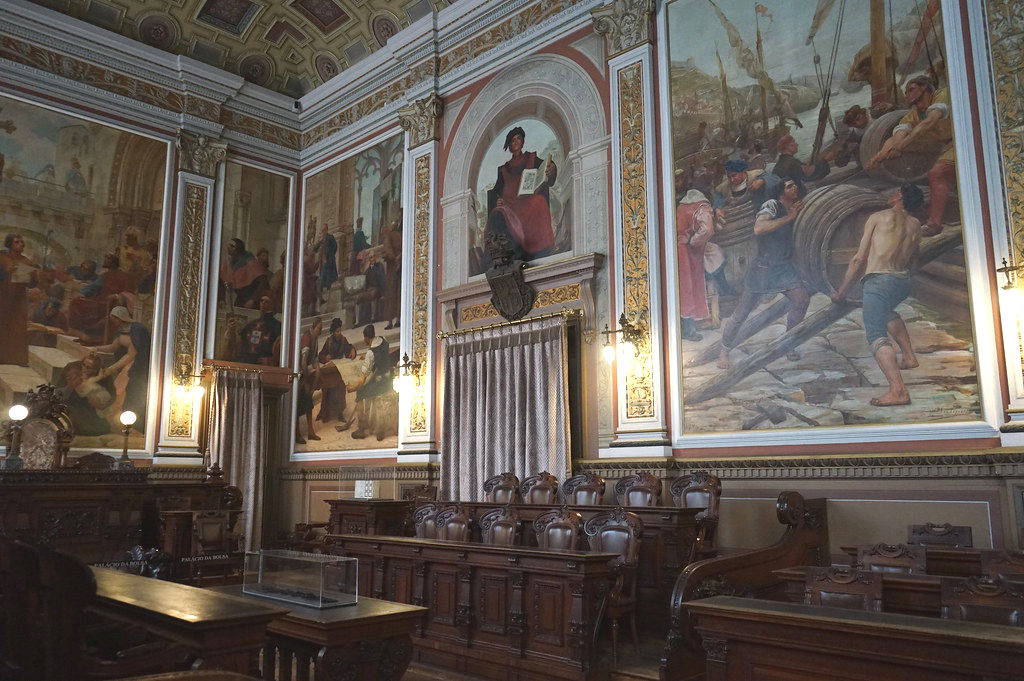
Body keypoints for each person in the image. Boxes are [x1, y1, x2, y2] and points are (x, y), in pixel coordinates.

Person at [831, 185, 925, 407]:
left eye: (895, 191)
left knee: (875, 334)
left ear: (899, 196)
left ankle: (898, 391)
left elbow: (859, 259)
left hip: (878, 281)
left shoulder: (878, 217)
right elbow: (915, 258)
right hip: (902, 282)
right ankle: (909, 357)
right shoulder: (916, 224)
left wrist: (842, 291)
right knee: (886, 312)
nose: (890, 193)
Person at [718, 179, 810, 369]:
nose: (795, 188)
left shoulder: (793, 207)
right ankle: (724, 352)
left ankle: (788, 343)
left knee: (802, 300)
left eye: (795, 185)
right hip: (764, 269)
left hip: (784, 267)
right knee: (742, 313)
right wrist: (789, 217)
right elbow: (759, 228)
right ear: (780, 191)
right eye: (789, 186)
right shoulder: (772, 205)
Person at [866, 76, 955, 235]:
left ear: (926, 88)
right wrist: (879, 157)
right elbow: (896, 137)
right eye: (906, 92)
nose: (907, 94)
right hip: (949, 146)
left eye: (911, 89)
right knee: (939, 173)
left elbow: (930, 121)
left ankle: (935, 223)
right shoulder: (913, 114)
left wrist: (902, 145)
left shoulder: (942, 95)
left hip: (967, 138)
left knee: (937, 172)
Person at [485, 126, 558, 262]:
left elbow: (545, 167)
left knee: (538, 202)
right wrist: (497, 200)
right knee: (498, 211)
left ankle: (542, 251)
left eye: (519, 138)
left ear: (523, 141)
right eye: (512, 140)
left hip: (527, 200)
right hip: (510, 205)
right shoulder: (503, 169)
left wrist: (551, 169)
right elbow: (495, 192)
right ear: (509, 146)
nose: (516, 142)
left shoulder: (532, 158)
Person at [89, 306, 150, 431]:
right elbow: (113, 347)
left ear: (121, 317)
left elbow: (130, 355)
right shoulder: (121, 330)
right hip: (127, 364)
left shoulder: (136, 329)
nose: (113, 321)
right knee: (118, 391)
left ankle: (134, 425)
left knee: (128, 392)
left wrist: (110, 370)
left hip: (138, 366)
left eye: (114, 318)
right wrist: (97, 348)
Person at [346, 324, 395, 441]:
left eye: (364, 338)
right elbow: (381, 357)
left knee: (360, 392)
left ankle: (362, 428)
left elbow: (363, 379)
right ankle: (371, 423)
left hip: (380, 383)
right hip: (389, 377)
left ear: (366, 337)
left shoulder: (370, 353)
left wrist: (353, 388)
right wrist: (368, 358)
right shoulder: (383, 340)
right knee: (366, 388)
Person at [676, 189, 713, 341]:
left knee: (683, 290)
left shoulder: (681, 207)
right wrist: (693, 241)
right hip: (689, 252)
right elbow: (707, 230)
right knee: (690, 289)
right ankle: (689, 331)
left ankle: (684, 329)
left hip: (677, 251)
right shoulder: (702, 207)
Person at [317, 318, 356, 426]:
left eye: (340, 331)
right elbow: (321, 355)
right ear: (333, 332)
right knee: (327, 390)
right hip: (330, 369)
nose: (339, 333)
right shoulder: (328, 341)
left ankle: (339, 413)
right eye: (337, 331)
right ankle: (325, 414)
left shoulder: (343, 340)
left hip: (339, 369)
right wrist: (325, 357)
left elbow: (349, 349)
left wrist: (352, 350)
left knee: (340, 391)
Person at [220, 238, 269, 308]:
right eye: (229, 245)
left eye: (232, 246)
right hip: (241, 299)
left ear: (238, 248)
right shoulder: (230, 262)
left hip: (254, 300)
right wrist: (222, 299)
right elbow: (222, 280)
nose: (229, 247)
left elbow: (263, 281)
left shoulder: (250, 261)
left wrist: (252, 300)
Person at [295, 319, 323, 444]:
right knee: (297, 406)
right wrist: (306, 381)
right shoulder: (307, 336)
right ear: (313, 326)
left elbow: (314, 359)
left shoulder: (315, 338)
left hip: (306, 374)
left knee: (308, 404)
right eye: (319, 328)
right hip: (299, 375)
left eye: (321, 329)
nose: (320, 331)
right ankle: (296, 434)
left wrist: (317, 371)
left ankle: (311, 432)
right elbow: (303, 360)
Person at [236, 295, 281, 365]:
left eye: (267, 302)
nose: (263, 303)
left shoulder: (277, 325)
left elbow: (280, 349)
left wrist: (271, 360)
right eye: (261, 301)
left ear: (272, 305)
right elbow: (242, 341)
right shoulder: (252, 323)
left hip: (264, 365)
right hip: (247, 362)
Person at [316, 224, 338, 305]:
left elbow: (335, 247)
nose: (323, 232)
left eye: (324, 230)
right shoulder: (322, 240)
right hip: (323, 264)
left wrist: (329, 256)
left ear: (327, 230)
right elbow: (315, 249)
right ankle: (322, 300)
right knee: (322, 281)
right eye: (322, 231)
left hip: (329, 263)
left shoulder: (330, 237)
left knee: (328, 282)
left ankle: (328, 301)